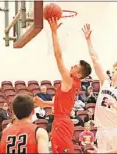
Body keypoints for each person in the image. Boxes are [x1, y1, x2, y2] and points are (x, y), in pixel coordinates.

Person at [34, 17, 92, 153]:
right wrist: (45, 104)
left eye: (76, 66)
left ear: (79, 74)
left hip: (62, 123)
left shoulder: (69, 80)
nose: (73, 65)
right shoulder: (72, 83)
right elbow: (63, 106)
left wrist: (54, 32)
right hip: (61, 121)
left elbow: (58, 55)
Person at [82, 24, 117, 151]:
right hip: (102, 130)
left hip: (115, 129)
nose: (113, 71)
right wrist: (88, 41)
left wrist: (114, 104)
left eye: (116, 70)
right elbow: (95, 59)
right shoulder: (105, 82)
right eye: (114, 69)